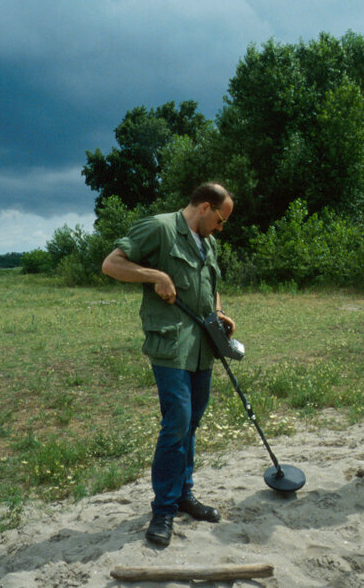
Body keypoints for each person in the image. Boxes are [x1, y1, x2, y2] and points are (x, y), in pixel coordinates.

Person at [102, 182, 236, 547]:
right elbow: (112, 264)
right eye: (220, 220)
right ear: (205, 207)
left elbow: (212, 284)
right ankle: (163, 510)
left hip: (202, 347)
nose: (221, 228)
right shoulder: (159, 228)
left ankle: (183, 495)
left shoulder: (208, 242)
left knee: (191, 423)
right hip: (171, 345)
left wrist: (219, 312)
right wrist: (157, 276)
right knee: (177, 421)